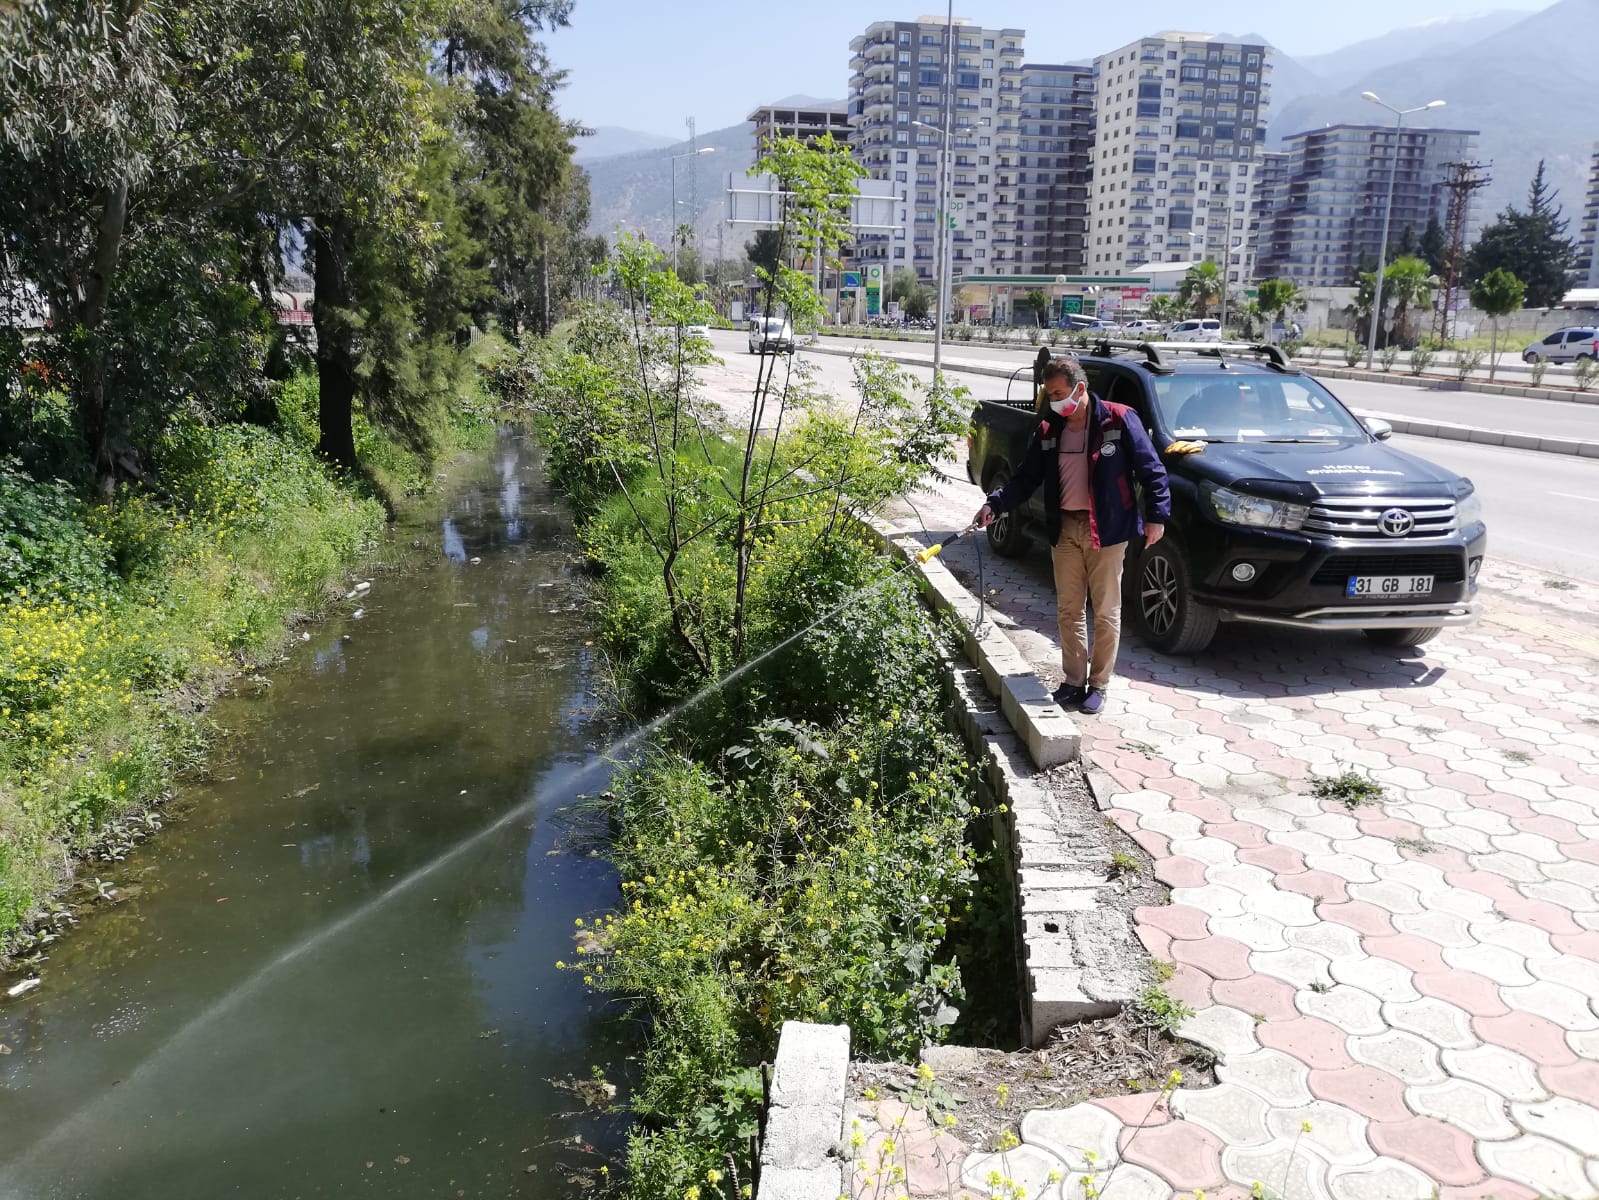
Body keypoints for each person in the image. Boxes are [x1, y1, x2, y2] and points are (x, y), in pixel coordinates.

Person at [974, 356, 1170, 715]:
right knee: (1068, 610)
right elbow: (1025, 477)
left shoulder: (1119, 418)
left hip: (1107, 531)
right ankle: (1073, 681)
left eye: (1060, 393)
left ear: (1080, 388)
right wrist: (995, 504)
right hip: (1064, 528)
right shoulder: (1050, 427)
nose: (1054, 401)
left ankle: (1099, 684)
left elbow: (1152, 470)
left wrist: (1157, 516)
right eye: (1050, 394)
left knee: (1107, 612)